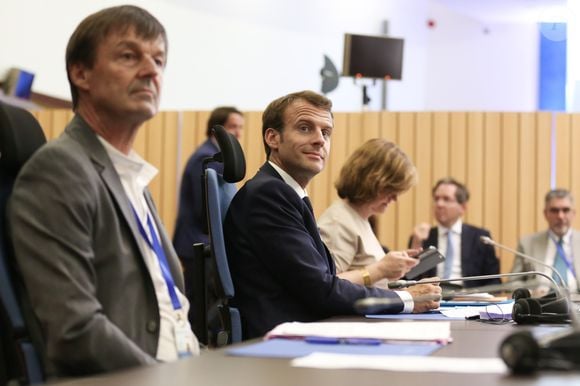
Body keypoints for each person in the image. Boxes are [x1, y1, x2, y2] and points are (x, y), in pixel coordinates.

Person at [8, 5, 199, 378]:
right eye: (129, 56)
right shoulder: (59, 170)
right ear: (81, 73)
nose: (151, 71)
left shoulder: (130, 177)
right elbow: (75, 329)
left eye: (158, 60)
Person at [223, 90, 441, 340]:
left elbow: (322, 282)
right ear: (273, 138)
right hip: (280, 344)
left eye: (326, 132)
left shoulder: (286, 193)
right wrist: (406, 299)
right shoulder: (269, 194)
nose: (319, 140)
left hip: (299, 330)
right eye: (305, 128)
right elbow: (322, 290)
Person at [173, 107, 244, 328]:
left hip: (203, 243)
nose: (238, 133)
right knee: (200, 312)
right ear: (217, 129)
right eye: (233, 127)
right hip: (198, 244)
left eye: (241, 127)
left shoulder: (214, 157)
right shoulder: (206, 159)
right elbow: (204, 211)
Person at [318, 139, 419, 289]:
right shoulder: (338, 222)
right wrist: (381, 269)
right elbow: (326, 285)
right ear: (371, 182)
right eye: (391, 189)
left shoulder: (359, 218)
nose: (395, 198)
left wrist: (394, 266)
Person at [409, 178, 500, 287]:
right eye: (436, 199)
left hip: (470, 298)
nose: (439, 204)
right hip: (432, 297)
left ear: (462, 207)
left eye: (446, 199)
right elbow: (410, 280)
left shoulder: (480, 237)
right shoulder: (423, 237)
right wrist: (416, 244)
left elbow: (494, 281)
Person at [511, 189, 580, 293]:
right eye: (554, 210)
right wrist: (530, 293)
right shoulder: (527, 243)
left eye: (565, 210)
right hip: (540, 304)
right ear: (545, 213)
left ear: (573, 213)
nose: (560, 216)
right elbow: (513, 282)